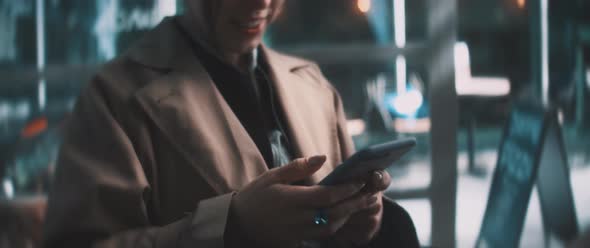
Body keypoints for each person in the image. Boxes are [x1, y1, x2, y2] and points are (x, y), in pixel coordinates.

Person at [43, 0, 419, 247]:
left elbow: (333, 222)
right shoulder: (113, 97)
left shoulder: (312, 85)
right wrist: (231, 227)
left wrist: (361, 218)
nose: (261, 3)